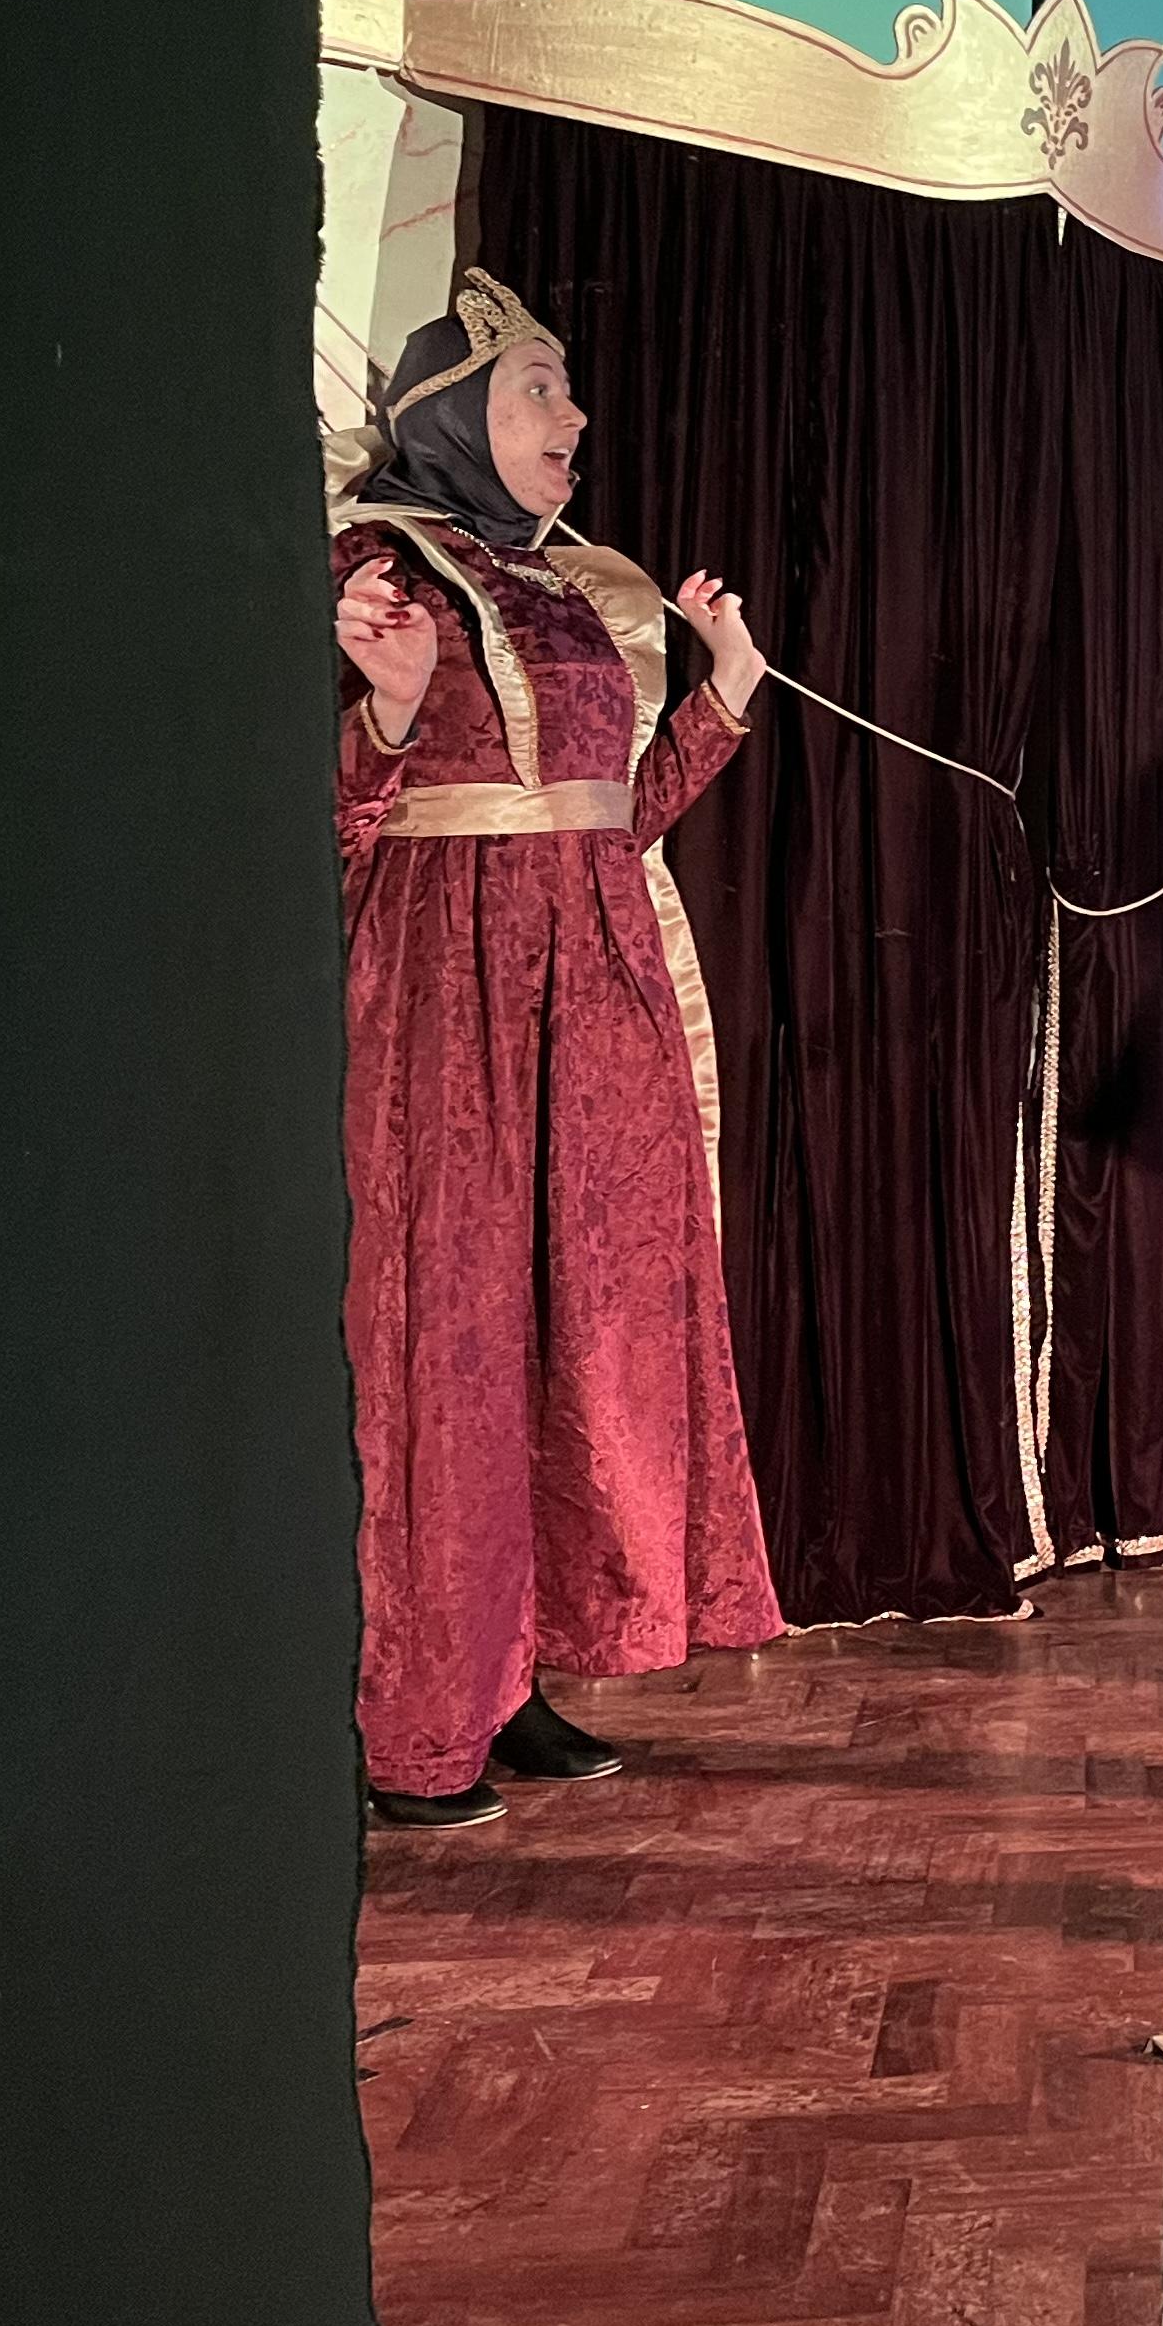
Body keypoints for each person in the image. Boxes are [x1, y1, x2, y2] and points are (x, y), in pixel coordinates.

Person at [328, 268, 785, 1828]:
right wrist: (386, 717)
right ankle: (421, 1717)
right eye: (538, 387)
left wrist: (722, 701)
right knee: (449, 1348)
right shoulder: (375, 569)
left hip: (594, 1000)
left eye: (568, 388)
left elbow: (612, 822)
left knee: (573, 1339)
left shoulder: (576, 587)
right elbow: (317, 831)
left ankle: (516, 1673)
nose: (573, 415)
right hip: (447, 1002)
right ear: (453, 415)